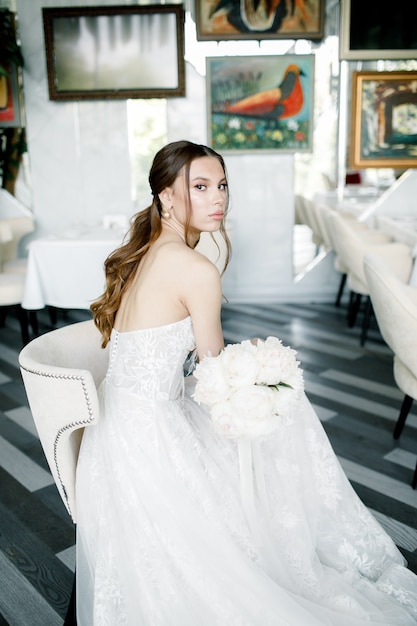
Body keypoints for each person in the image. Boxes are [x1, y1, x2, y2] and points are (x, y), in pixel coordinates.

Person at [76, 140, 417, 625]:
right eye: (200, 186)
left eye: (221, 186)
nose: (217, 198)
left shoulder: (145, 252)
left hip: (112, 434)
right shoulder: (196, 268)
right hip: (148, 441)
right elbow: (214, 373)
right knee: (285, 415)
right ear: (166, 197)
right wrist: (257, 373)